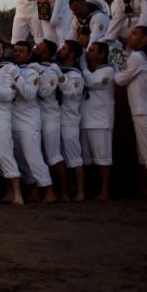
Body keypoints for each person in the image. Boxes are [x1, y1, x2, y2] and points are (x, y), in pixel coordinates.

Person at [114, 26, 147, 196]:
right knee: (145, 152)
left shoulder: (137, 57)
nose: (130, 36)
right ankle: (146, 188)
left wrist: (118, 67)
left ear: (145, 39)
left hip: (143, 111)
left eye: (135, 34)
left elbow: (119, 79)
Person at [11, 41, 55, 203]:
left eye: (22, 51)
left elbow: (29, 94)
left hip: (29, 121)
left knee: (34, 158)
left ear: (29, 54)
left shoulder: (32, 72)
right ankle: (33, 188)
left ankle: (49, 189)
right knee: (20, 159)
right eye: (15, 51)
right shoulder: (11, 68)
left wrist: (16, 76)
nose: (17, 54)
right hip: (14, 119)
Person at [0, 38, 23, 204]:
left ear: (4, 51)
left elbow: (9, 95)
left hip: (2, 118)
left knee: (4, 154)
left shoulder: (10, 69)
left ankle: (17, 194)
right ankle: (1, 193)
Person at [31, 40, 67, 200]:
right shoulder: (35, 66)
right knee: (37, 155)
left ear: (46, 52)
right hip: (36, 116)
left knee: (54, 156)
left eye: (39, 47)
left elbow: (45, 92)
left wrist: (40, 73)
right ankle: (39, 190)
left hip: (50, 117)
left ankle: (64, 192)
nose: (36, 49)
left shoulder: (52, 70)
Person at [81, 42, 115, 200]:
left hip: (101, 121)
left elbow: (93, 83)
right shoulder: (88, 71)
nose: (88, 53)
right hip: (85, 119)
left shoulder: (108, 70)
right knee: (87, 159)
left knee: (103, 158)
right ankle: (92, 189)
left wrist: (83, 68)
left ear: (101, 55)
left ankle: (105, 191)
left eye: (92, 51)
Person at [56, 41, 86, 201]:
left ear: (72, 54)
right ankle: (66, 191)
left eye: (65, 49)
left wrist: (60, 78)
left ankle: (81, 191)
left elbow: (71, 93)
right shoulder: (60, 69)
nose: (61, 51)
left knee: (74, 157)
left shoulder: (75, 75)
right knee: (60, 157)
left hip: (70, 120)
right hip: (56, 119)